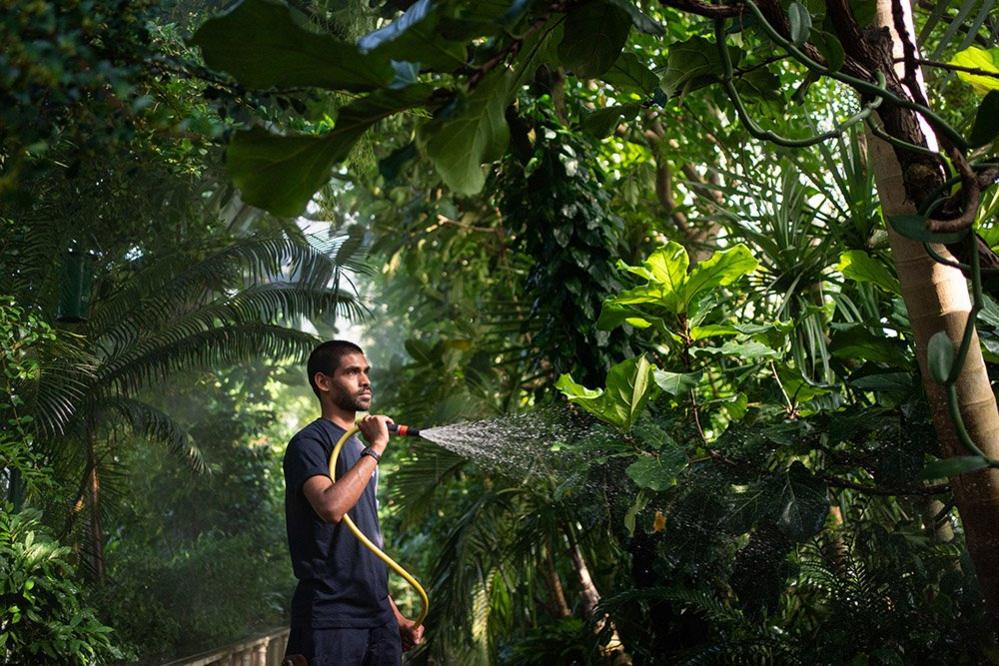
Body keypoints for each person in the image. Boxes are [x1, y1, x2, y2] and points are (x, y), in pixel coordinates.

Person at [282, 340, 424, 666]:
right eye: (352, 372)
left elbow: (363, 548)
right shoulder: (309, 443)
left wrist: (396, 617)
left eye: (366, 372)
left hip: (378, 617)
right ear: (323, 382)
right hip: (330, 617)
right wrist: (376, 448)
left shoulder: (359, 450)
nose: (365, 380)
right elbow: (330, 508)